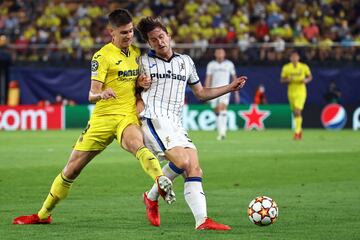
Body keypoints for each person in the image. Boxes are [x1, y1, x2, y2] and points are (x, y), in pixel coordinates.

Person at [13, 9, 175, 225]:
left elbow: (133, 84)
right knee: (72, 170)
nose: (129, 36)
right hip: (103, 118)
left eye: (130, 31)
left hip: (126, 116)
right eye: (124, 32)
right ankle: (43, 214)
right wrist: (102, 94)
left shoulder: (136, 53)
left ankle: (159, 179)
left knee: (137, 144)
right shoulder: (102, 56)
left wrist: (139, 83)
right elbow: (91, 94)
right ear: (111, 32)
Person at [136, 17, 247, 230]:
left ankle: (201, 220)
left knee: (195, 167)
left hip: (176, 122)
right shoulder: (142, 62)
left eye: (161, 36)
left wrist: (229, 88)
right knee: (183, 161)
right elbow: (130, 91)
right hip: (154, 119)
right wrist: (138, 86)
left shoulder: (185, 62)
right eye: (153, 40)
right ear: (149, 44)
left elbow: (202, 93)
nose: (159, 42)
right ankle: (151, 197)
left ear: (169, 36)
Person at [205, 48, 240, 140]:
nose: (220, 54)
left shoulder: (229, 64)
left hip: (225, 89)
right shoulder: (211, 65)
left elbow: (234, 77)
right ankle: (221, 130)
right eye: (218, 53)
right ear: (215, 54)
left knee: (222, 107)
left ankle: (222, 132)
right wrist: (206, 91)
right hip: (213, 90)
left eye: (221, 53)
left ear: (224, 54)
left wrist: (236, 92)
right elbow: (209, 78)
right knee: (217, 111)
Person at [280, 51, 312, 140]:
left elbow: (310, 77)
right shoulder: (286, 68)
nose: (294, 58)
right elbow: (282, 80)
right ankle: (299, 130)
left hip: (301, 92)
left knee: (298, 111)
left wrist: (306, 80)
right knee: (295, 113)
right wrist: (288, 80)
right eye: (292, 57)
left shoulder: (303, 67)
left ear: (298, 58)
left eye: (296, 57)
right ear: (290, 58)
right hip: (291, 92)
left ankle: (297, 133)